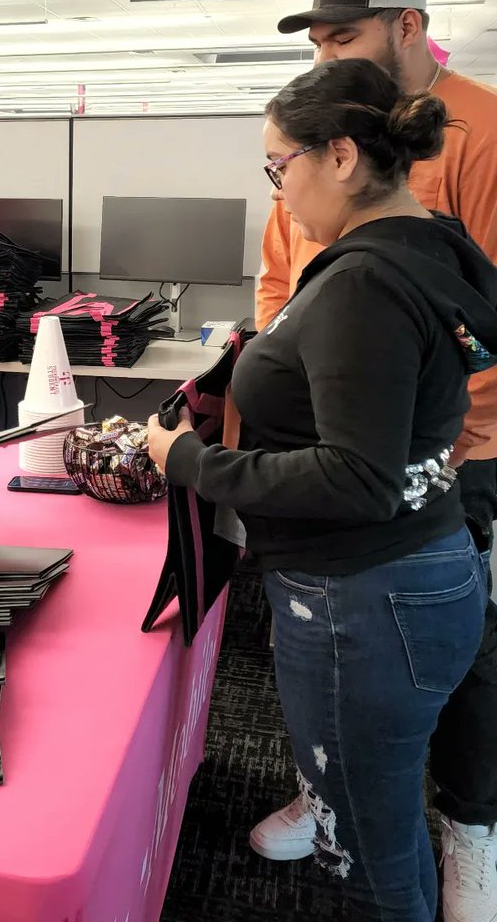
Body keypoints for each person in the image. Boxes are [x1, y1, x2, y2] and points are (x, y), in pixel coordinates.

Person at [147, 58, 497, 921]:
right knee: (379, 815)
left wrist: (185, 460)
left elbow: (354, 476)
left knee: (367, 847)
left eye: (279, 165)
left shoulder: (363, 282)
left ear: (340, 155)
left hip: (362, 604)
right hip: (422, 571)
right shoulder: (430, 247)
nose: (277, 190)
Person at [253, 0, 497, 922]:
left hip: (446, 452)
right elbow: (281, 280)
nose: (324, 52)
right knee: (338, 656)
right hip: (328, 454)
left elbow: (479, 307)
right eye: (314, 38)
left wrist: (439, 434)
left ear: (408, 28)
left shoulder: (478, 133)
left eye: (341, 35)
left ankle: (470, 827)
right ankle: (336, 787)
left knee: (456, 645)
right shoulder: (315, 157)